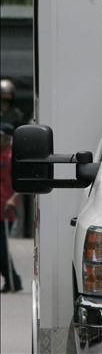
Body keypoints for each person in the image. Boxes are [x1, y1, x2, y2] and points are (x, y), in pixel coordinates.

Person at [0, 122, 23, 293]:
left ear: (8, 138)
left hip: (6, 210)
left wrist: (13, 200)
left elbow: (19, 185)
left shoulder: (12, 157)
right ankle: (12, 280)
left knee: (2, 249)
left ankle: (13, 280)